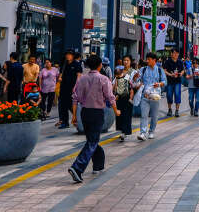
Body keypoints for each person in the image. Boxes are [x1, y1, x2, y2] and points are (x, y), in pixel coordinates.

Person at [68, 54, 119, 183]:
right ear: (100, 65)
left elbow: (75, 98)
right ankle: (77, 167)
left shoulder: (82, 79)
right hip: (97, 113)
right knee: (92, 141)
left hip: (84, 113)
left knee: (92, 140)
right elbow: (110, 97)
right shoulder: (103, 79)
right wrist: (116, 110)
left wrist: (74, 116)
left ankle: (98, 165)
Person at [137, 52, 166, 141]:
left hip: (155, 96)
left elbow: (165, 82)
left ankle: (151, 131)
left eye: (149, 59)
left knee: (154, 115)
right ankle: (142, 133)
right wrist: (135, 78)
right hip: (145, 96)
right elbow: (138, 79)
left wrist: (159, 84)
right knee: (144, 115)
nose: (147, 61)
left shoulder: (160, 70)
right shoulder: (143, 69)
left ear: (154, 60)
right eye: (147, 59)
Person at [115, 55, 139, 141]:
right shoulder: (119, 70)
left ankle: (124, 132)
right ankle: (122, 131)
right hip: (119, 95)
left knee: (127, 114)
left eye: (127, 60)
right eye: (124, 60)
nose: (125, 62)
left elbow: (136, 84)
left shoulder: (133, 72)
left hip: (129, 96)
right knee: (120, 114)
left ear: (130, 62)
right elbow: (115, 82)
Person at [57, 49, 82, 129]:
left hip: (72, 88)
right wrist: (60, 78)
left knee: (72, 105)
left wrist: (76, 86)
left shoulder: (77, 64)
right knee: (63, 105)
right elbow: (61, 73)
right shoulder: (64, 64)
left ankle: (78, 120)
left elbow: (79, 76)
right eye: (67, 54)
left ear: (73, 56)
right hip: (63, 87)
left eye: (70, 54)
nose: (68, 56)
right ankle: (65, 122)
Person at [163, 49, 185, 117]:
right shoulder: (167, 61)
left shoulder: (180, 62)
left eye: (177, 53)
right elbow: (164, 70)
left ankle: (177, 110)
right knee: (169, 95)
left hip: (177, 81)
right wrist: (170, 74)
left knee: (177, 95)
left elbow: (183, 70)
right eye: (174, 53)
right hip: (170, 81)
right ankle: (169, 109)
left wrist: (181, 73)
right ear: (171, 54)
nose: (175, 54)